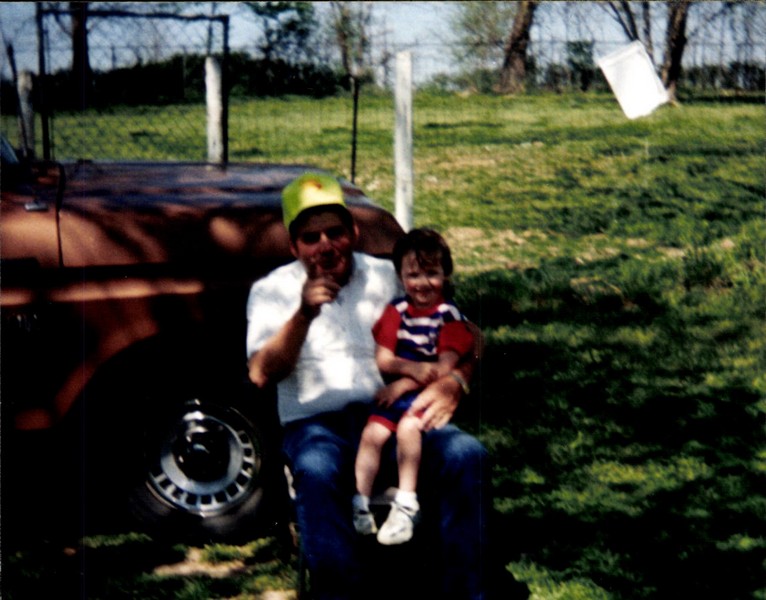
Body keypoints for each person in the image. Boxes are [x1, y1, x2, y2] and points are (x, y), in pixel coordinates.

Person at [245, 172, 490, 600]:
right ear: (294, 246)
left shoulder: (388, 276)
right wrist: (303, 314)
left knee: (465, 453)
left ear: (353, 233)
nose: (325, 246)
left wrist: (456, 381)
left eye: (335, 233)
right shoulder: (271, 291)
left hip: (395, 416)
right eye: (311, 238)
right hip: (317, 426)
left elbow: (471, 335)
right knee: (317, 470)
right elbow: (261, 373)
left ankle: (467, 592)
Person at [353, 228, 475, 546]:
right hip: (398, 392)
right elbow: (384, 359)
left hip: (425, 395)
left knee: (409, 429)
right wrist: (410, 370)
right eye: (413, 275)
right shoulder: (397, 311)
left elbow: (443, 369)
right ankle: (360, 504)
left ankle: (406, 503)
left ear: (445, 274)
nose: (422, 283)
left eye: (431, 273)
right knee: (372, 434)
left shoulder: (448, 317)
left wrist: (404, 383)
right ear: (401, 277)